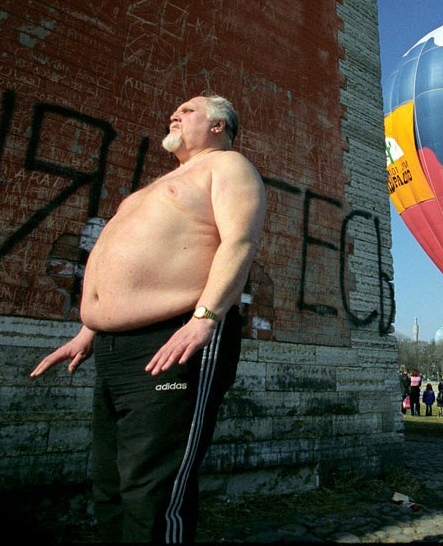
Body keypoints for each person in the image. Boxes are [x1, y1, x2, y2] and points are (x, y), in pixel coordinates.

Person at [30, 94, 267, 543]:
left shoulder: (228, 166)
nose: (174, 114)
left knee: (153, 491)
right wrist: (89, 328)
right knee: (111, 484)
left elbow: (239, 243)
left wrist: (205, 318)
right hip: (113, 346)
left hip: (177, 335)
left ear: (218, 125)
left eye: (188, 110)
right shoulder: (161, 183)